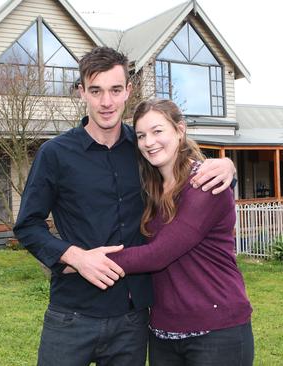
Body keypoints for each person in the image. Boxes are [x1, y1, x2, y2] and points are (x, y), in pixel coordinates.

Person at [13, 47, 236, 366]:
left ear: (128, 91)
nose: (106, 102)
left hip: (132, 320)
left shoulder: (145, 148)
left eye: (115, 90)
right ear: (82, 93)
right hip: (71, 314)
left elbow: (189, 180)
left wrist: (228, 169)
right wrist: (76, 257)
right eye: (96, 91)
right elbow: (27, 226)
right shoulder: (55, 154)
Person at [106, 98, 254, 365]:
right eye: (141, 135)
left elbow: (158, 254)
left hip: (215, 330)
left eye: (157, 131)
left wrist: (86, 261)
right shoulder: (150, 190)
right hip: (164, 332)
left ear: (180, 130)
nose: (149, 142)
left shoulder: (204, 184)